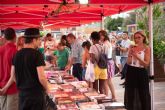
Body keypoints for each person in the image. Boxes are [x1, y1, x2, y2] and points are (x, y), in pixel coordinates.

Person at [12, 28, 48, 110]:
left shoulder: (17, 54)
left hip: (22, 95)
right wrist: (47, 88)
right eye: (39, 39)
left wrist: (22, 85)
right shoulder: (37, 54)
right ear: (34, 40)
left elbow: (13, 76)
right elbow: (42, 77)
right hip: (36, 95)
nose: (40, 41)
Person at [124, 31, 151, 110]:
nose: (137, 39)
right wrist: (129, 53)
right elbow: (128, 62)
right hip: (131, 71)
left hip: (141, 72)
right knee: (130, 94)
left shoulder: (146, 48)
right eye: (135, 38)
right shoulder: (132, 47)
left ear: (143, 37)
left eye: (139, 37)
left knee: (143, 94)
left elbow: (146, 64)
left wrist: (136, 56)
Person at [0, 28, 18, 110]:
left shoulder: (1, 49)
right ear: (15, 37)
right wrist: (5, 88)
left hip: (1, 86)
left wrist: (3, 88)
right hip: (12, 87)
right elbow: (14, 76)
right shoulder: (15, 51)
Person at [99, 30, 116, 101]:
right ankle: (109, 96)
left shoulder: (105, 44)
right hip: (108, 61)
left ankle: (112, 96)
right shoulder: (106, 43)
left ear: (104, 36)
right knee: (107, 81)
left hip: (107, 62)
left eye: (100, 35)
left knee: (108, 81)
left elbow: (104, 55)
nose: (100, 37)